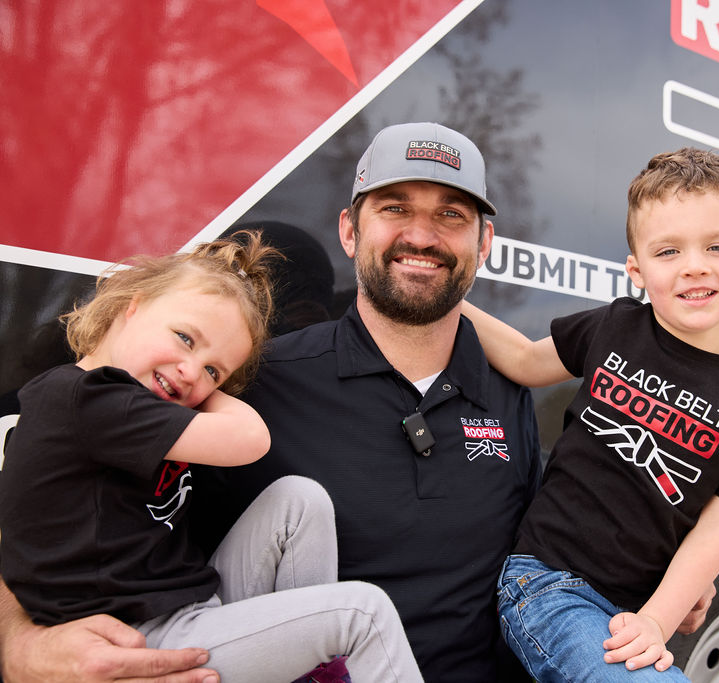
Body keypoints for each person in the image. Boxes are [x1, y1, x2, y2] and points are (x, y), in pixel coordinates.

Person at [0, 123, 716, 683]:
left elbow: (550, 547)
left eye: (452, 215)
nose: (421, 234)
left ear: (484, 243)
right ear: (350, 230)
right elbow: (59, 500)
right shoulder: (257, 384)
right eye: (395, 207)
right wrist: (18, 642)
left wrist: (661, 576)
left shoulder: (507, 389)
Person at [0, 232, 422, 683]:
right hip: (140, 637)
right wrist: (214, 384)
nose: (189, 372)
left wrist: (203, 366)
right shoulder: (88, 397)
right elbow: (250, 438)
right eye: (184, 338)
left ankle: (308, 667)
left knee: (298, 500)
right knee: (364, 613)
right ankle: (321, 666)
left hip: (184, 608)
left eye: (213, 371)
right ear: (131, 306)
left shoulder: (117, 403)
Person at [460, 147, 719, 681]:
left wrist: (658, 619)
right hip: (547, 584)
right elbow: (524, 360)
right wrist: (446, 300)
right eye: (668, 252)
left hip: (635, 612)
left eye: (717, 246)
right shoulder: (616, 327)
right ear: (637, 271)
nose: (694, 265)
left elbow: (717, 529)